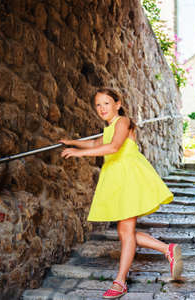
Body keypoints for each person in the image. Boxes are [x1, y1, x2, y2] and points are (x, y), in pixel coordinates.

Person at [60, 88, 183, 299]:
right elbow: (95, 143)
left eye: (106, 103)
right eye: (98, 105)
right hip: (116, 178)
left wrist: (79, 153)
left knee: (125, 232)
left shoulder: (123, 121)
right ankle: (167, 249)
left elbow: (114, 147)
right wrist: (72, 142)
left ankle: (120, 281)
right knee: (125, 232)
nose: (101, 109)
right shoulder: (108, 128)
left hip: (128, 176)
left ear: (117, 103)